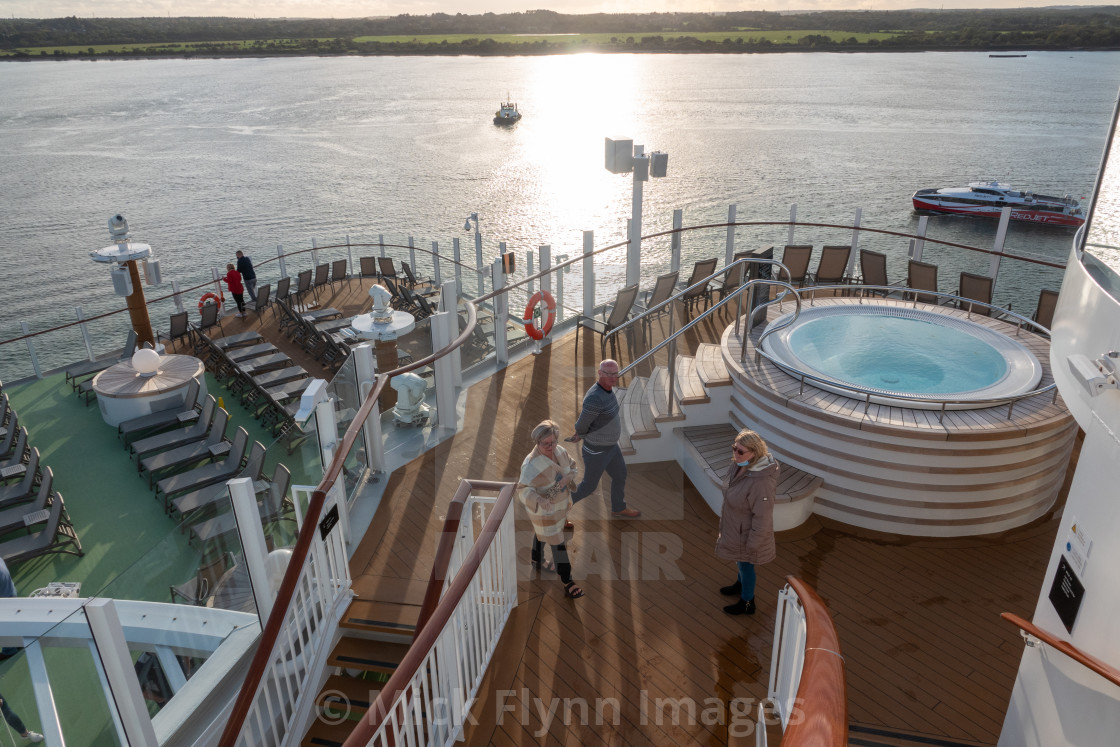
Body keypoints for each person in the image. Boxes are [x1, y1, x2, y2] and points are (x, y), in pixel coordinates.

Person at [518, 421, 584, 599]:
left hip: (560, 505)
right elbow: (522, 489)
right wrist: (538, 499)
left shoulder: (560, 451)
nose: (551, 446)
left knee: (542, 533)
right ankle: (567, 580)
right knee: (557, 543)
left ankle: (536, 559)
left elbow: (572, 465)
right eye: (545, 443)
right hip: (544, 510)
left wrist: (568, 477)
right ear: (537, 443)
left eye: (553, 442)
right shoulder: (530, 465)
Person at [716, 429, 778, 616]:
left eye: (740, 451)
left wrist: (754, 542)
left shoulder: (761, 483)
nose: (735, 453)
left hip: (747, 532)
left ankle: (747, 602)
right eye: (734, 448)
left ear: (754, 453)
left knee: (746, 565)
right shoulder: (739, 465)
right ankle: (740, 583)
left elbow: (763, 516)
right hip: (736, 526)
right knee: (740, 562)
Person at [568, 359, 640, 518]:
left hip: (611, 447)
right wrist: (580, 434)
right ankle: (560, 507)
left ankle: (618, 507)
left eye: (616, 374)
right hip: (596, 451)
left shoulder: (608, 389)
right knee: (588, 486)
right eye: (608, 374)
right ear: (600, 373)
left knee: (620, 475)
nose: (613, 378)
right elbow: (581, 424)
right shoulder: (595, 398)